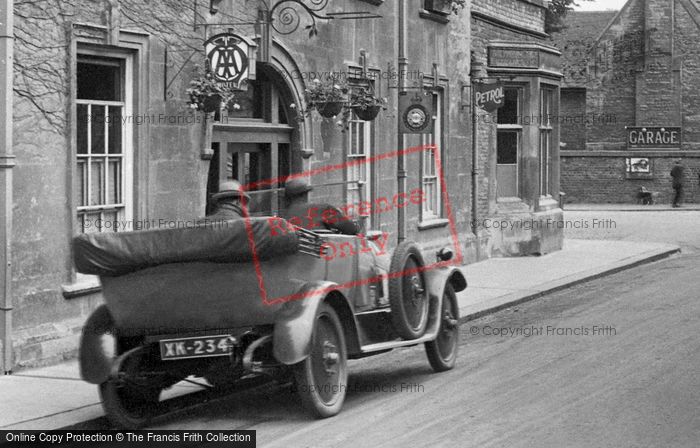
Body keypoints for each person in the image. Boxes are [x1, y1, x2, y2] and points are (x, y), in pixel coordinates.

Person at [281, 178, 359, 235]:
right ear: (305, 194)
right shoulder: (322, 209)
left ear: (288, 198)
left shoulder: (283, 218)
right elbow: (351, 229)